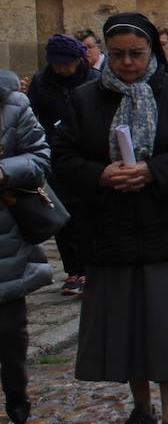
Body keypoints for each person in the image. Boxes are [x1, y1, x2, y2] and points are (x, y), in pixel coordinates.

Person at [52, 13, 168, 424]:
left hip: (167, 228)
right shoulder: (85, 100)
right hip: (111, 230)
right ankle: (141, 409)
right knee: (127, 327)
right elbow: (63, 158)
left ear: (153, 54)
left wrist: (153, 170)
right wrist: (100, 174)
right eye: (119, 54)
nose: (126, 62)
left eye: (136, 54)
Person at [0, 70, 55, 424]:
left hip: (4, 239)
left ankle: (16, 389)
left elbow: (40, 159)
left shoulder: (14, 104)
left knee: (9, 332)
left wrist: (4, 172)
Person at [25, 35, 95, 297]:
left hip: (86, 157)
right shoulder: (42, 82)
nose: (60, 69)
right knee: (62, 218)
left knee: (87, 217)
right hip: (56, 158)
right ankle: (73, 270)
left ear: (77, 61)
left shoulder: (94, 80)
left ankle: (90, 267)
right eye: (55, 64)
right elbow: (33, 117)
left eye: (64, 64)